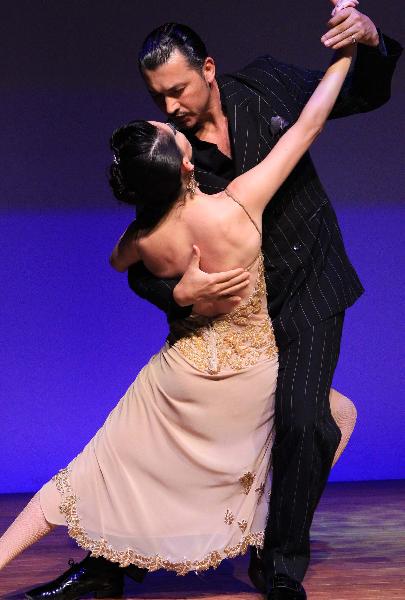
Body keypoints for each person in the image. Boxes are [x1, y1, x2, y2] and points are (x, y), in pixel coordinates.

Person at [0, 24, 366, 600]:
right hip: (231, 356)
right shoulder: (227, 200)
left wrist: (362, 44)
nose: (170, 114)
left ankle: (271, 559)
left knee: (301, 423)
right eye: (159, 109)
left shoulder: (156, 224)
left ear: (209, 69)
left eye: (176, 96)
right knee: (323, 420)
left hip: (249, 330)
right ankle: (135, 560)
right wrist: (181, 292)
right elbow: (310, 126)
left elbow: (120, 256)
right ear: (184, 169)